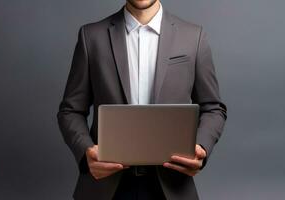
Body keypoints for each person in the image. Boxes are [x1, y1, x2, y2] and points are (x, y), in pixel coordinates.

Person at [57, 0, 227, 199]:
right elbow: (70, 110)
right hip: (106, 185)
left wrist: (200, 147)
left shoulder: (193, 36)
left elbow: (213, 108)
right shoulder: (91, 36)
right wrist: (86, 152)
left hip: (172, 184)